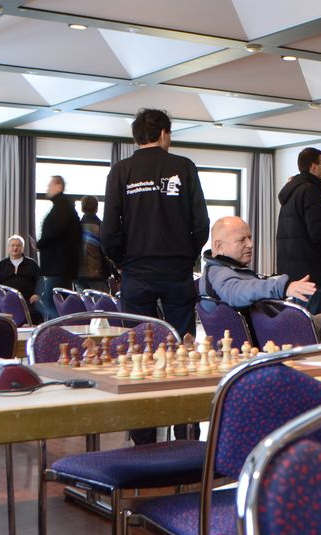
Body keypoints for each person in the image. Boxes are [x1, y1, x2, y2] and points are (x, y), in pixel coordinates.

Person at [103, 108, 209, 445]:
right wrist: (187, 256)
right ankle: (185, 435)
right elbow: (201, 223)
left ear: (136, 137)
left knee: (139, 353)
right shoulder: (185, 167)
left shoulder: (121, 171)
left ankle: (143, 438)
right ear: (164, 134)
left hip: (136, 273)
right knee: (182, 351)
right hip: (177, 271)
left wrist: (123, 262)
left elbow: (109, 230)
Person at [201, 216, 321, 342]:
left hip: (273, 328)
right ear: (219, 246)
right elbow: (236, 292)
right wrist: (282, 287)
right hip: (276, 333)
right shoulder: (220, 273)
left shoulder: (219, 270)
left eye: (250, 237)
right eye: (242, 240)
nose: (250, 244)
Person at [276, 147, 321, 316]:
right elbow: (319, 232)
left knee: (299, 324)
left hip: (294, 276)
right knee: (314, 326)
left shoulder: (291, 194)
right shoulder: (310, 191)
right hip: (313, 275)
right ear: (313, 167)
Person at [37, 175, 81, 320]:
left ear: (58, 186)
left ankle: (55, 330)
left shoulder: (62, 206)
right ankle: (58, 329)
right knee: (55, 302)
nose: (47, 188)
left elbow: (56, 230)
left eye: (50, 185)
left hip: (58, 265)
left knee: (50, 302)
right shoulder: (64, 206)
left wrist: (40, 243)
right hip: (61, 265)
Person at [0, 234, 43, 324]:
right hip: (6, 301)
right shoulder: (1, 265)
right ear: (8, 247)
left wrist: (37, 294)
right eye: (12, 245)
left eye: (18, 245)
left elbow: (41, 281)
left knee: (36, 314)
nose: (15, 248)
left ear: (23, 248)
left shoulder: (31, 264)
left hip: (28, 301)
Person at [74, 195, 113, 293]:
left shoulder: (75, 227)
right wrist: (115, 272)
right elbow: (107, 253)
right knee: (102, 302)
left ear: (82, 208)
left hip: (78, 274)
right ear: (96, 208)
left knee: (83, 302)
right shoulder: (102, 227)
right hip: (98, 275)